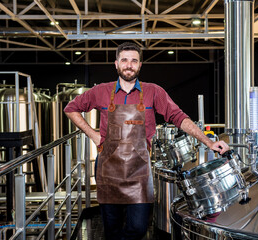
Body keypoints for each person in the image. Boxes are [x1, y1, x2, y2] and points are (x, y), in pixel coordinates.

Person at [64, 42, 229, 240]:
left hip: (139, 168)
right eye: (124, 60)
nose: (129, 65)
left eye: (134, 61)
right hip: (108, 167)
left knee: (138, 227)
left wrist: (208, 142)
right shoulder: (101, 91)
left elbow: (178, 117)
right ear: (116, 64)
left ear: (140, 65)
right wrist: (92, 134)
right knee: (112, 228)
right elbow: (71, 108)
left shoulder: (153, 92)